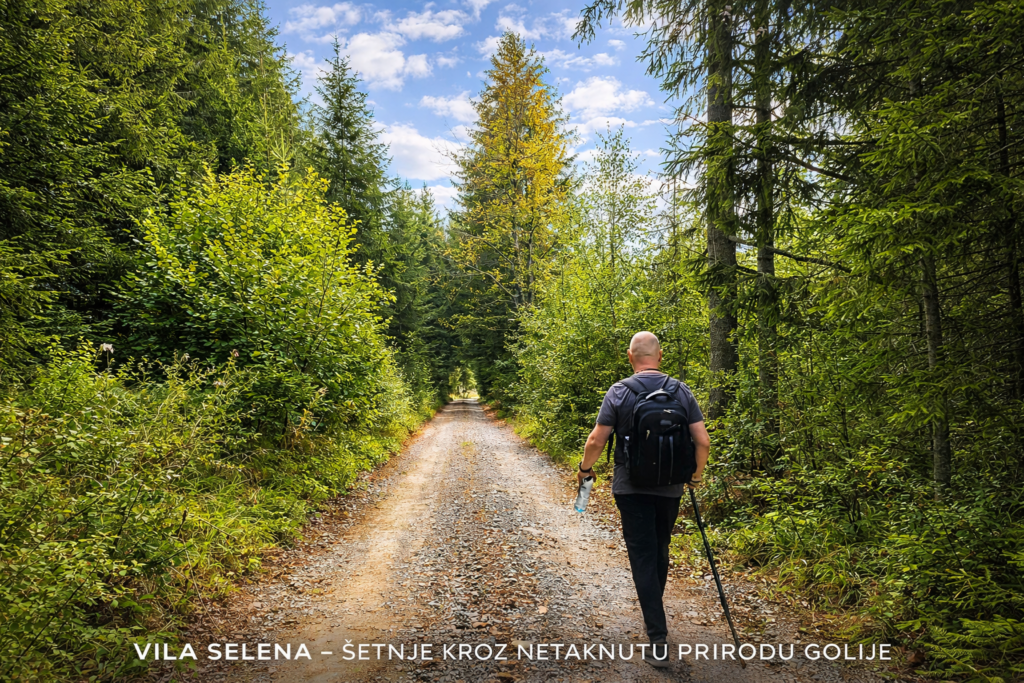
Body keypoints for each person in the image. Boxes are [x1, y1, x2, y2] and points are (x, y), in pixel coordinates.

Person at [576, 331, 711, 668]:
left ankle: (657, 638)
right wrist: (695, 476)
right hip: (671, 487)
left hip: (630, 487)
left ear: (629, 356)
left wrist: (585, 469)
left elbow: (597, 439)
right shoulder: (681, 391)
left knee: (642, 557)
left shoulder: (619, 391)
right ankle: (656, 616)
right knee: (660, 550)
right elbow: (703, 442)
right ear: (660, 355)